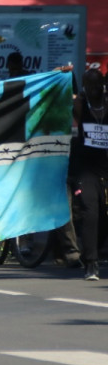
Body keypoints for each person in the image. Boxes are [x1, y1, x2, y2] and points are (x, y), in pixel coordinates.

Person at [72, 69, 108, 281]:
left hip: (105, 167)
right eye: (89, 84)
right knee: (90, 210)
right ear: (84, 86)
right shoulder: (79, 105)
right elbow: (66, 98)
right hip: (86, 168)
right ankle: (91, 263)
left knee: (103, 215)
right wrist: (68, 77)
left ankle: (91, 249)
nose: (94, 88)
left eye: (97, 84)